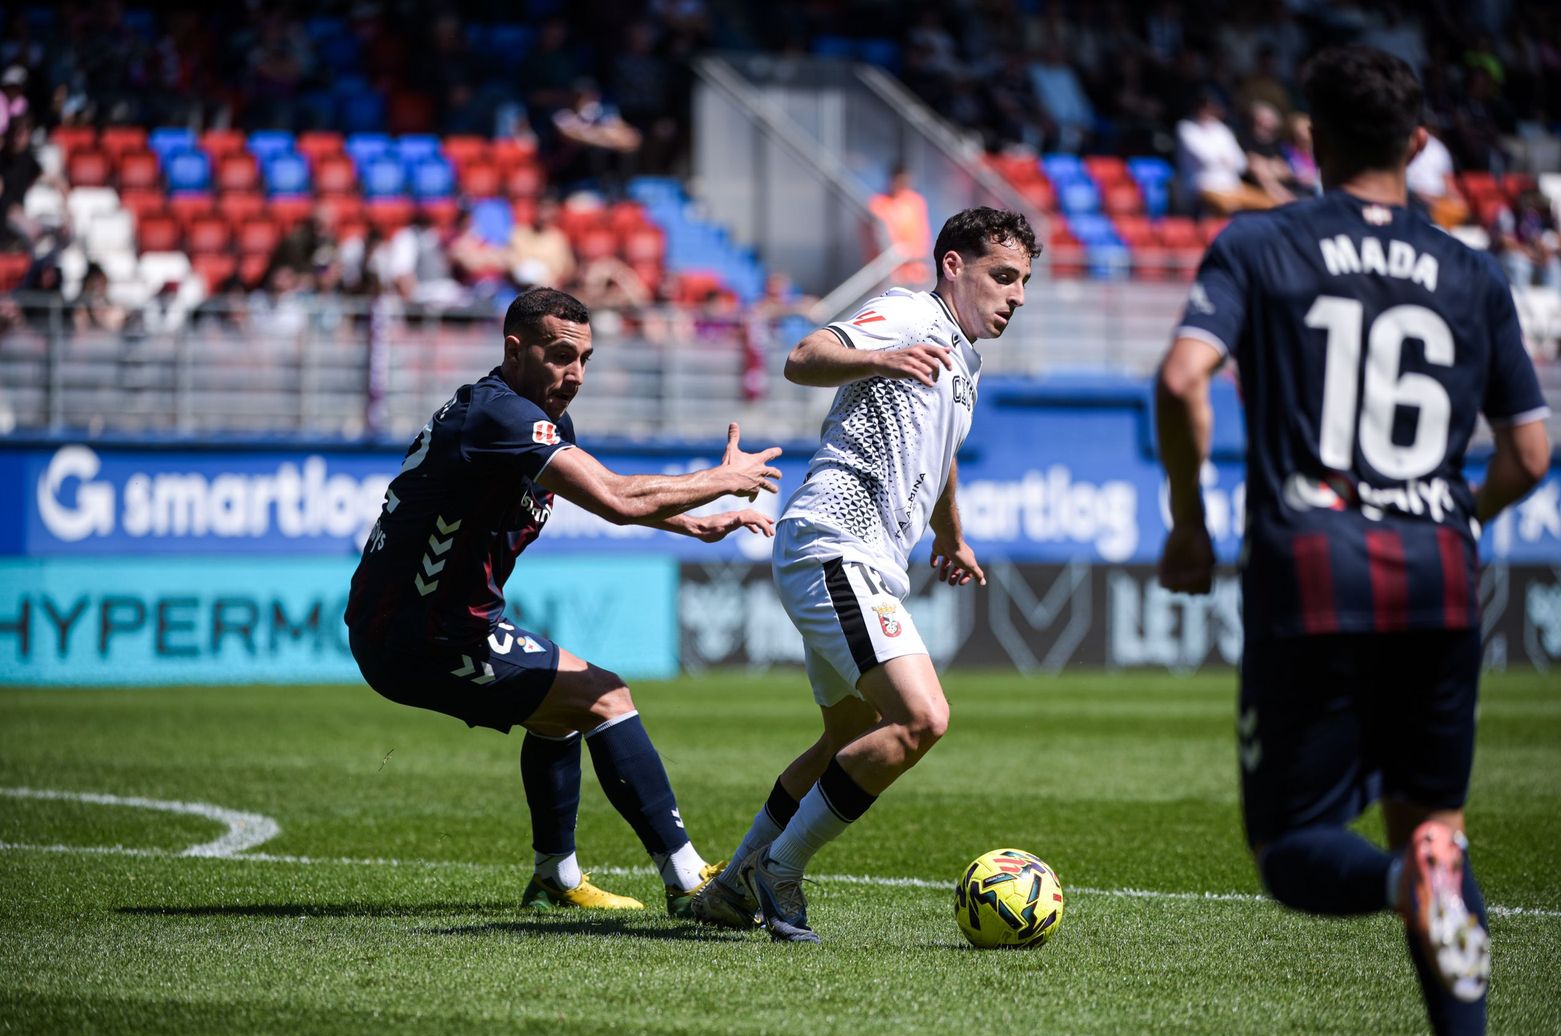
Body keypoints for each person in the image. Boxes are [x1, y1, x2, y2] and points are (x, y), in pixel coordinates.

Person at [1155, 47, 1550, 1036]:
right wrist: (1453, 515)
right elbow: (1529, 454)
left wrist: (1190, 525)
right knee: (1438, 832)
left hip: (1312, 566)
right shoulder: (1472, 270)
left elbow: (1180, 379)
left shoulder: (1259, 242)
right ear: (1417, 147)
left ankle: (1392, 883)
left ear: (1310, 143)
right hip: (1441, 571)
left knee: (1292, 851)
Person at [345, 286, 783, 916]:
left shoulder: (534, 419)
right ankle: (691, 884)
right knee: (606, 695)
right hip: (418, 634)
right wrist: (723, 481)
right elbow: (617, 497)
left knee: (558, 711)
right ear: (514, 350)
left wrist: (692, 523)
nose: (574, 374)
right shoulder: (497, 415)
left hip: (437, 624)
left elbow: (609, 499)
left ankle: (556, 875)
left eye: (585, 360)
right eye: (559, 356)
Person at [692, 207, 1040, 942]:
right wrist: (880, 357)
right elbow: (805, 355)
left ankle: (730, 887)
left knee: (842, 740)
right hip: (834, 541)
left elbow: (938, 452)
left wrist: (952, 535)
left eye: (1023, 283)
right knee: (921, 719)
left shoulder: (963, 362)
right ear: (953, 265)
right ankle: (779, 873)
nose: (1014, 295)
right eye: (1002, 276)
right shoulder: (911, 313)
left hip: (862, 558)